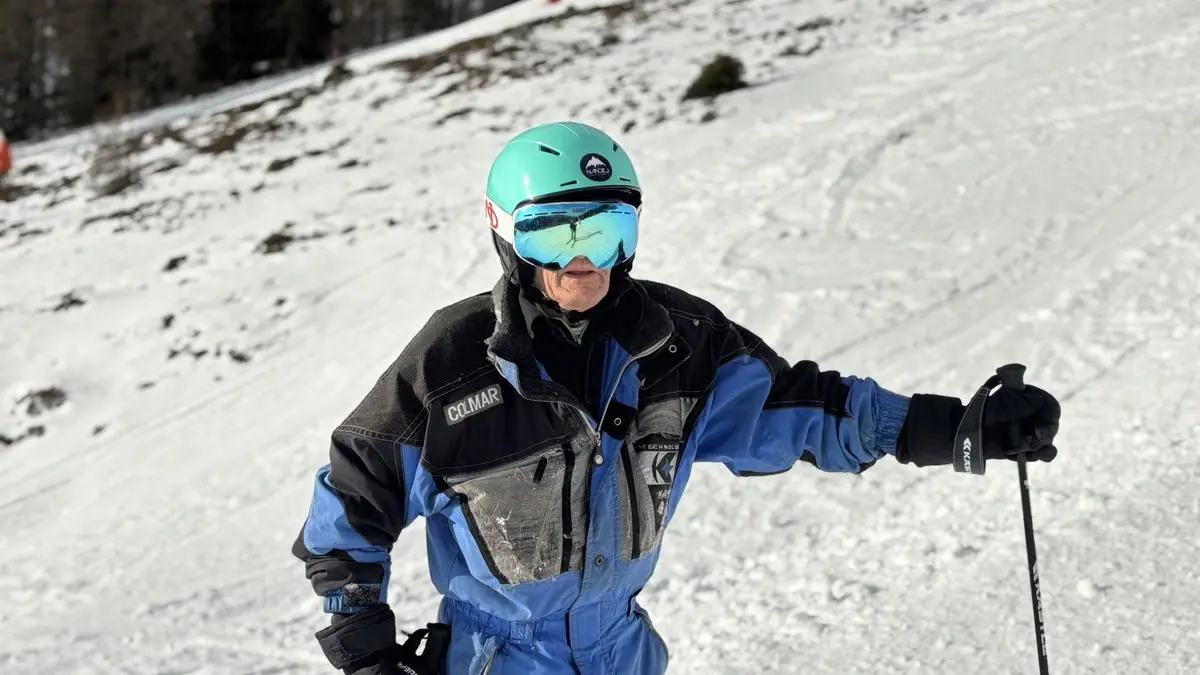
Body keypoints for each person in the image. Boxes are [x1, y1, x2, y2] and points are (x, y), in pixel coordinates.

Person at [292, 121, 1062, 675]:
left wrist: (957, 428)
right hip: (495, 657)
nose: (585, 261)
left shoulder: (680, 345)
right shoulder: (455, 364)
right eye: (556, 235)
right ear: (508, 238)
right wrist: (363, 644)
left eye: (608, 229)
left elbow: (807, 410)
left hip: (622, 651)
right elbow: (355, 496)